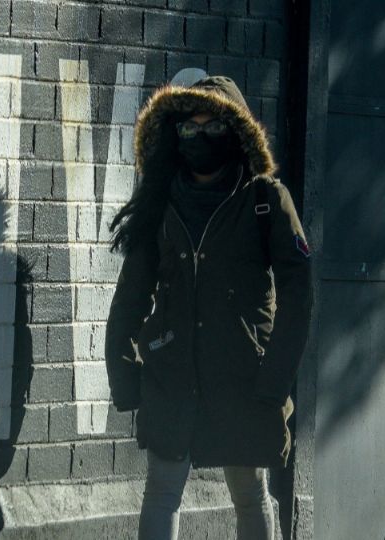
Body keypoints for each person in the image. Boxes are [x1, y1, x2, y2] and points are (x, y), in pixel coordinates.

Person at [104, 75, 313, 540]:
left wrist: (275, 379)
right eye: (189, 129)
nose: (201, 138)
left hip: (244, 377)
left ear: (235, 132)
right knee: (162, 490)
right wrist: (124, 372)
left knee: (250, 492)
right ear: (175, 135)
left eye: (213, 127)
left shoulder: (265, 200)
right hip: (172, 375)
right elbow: (131, 295)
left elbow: (299, 295)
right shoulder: (159, 203)